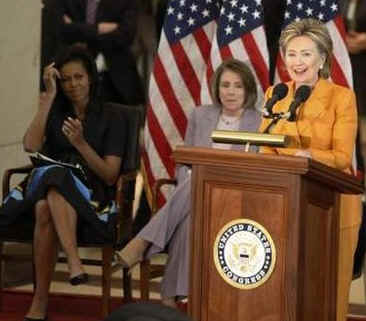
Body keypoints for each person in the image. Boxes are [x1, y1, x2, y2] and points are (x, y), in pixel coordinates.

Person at [117, 58, 262, 308]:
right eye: (225, 85)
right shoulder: (201, 114)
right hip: (195, 193)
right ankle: (174, 298)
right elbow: (184, 163)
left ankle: (144, 246)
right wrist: (196, 179)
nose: (230, 91)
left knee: (197, 184)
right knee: (189, 215)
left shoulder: (259, 121)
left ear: (248, 90)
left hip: (234, 195)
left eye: (238, 86)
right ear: (216, 88)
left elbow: (255, 167)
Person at [0, 45, 127, 321]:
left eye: (78, 77)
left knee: (55, 178)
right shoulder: (57, 112)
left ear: (90, 78)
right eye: (66, 79)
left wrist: (80, 144)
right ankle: (69, 267)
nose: (72, 85)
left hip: (94, 201)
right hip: (54, 198)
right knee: (47, 201)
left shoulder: (112, 116)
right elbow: (30, 146)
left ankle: (43, 297)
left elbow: (109, 175)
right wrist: (48, 99)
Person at [258, 18, 361, 321]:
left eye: (305, 54)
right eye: (291, 53)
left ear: (322, 58)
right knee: (287, 288)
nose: (297, 61)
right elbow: (265, 148)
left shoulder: (342, 97)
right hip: (284, 202)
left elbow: (341, 157)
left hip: (332, 205)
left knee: (327, 291)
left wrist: (305, 154)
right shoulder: (274, 94)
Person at [42, 0, 144, 106]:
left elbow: (126, 35)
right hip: (74, 80)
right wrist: (98, 29)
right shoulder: (67, 2)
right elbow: (62, 30)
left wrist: (77, 29)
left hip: (116, 80)